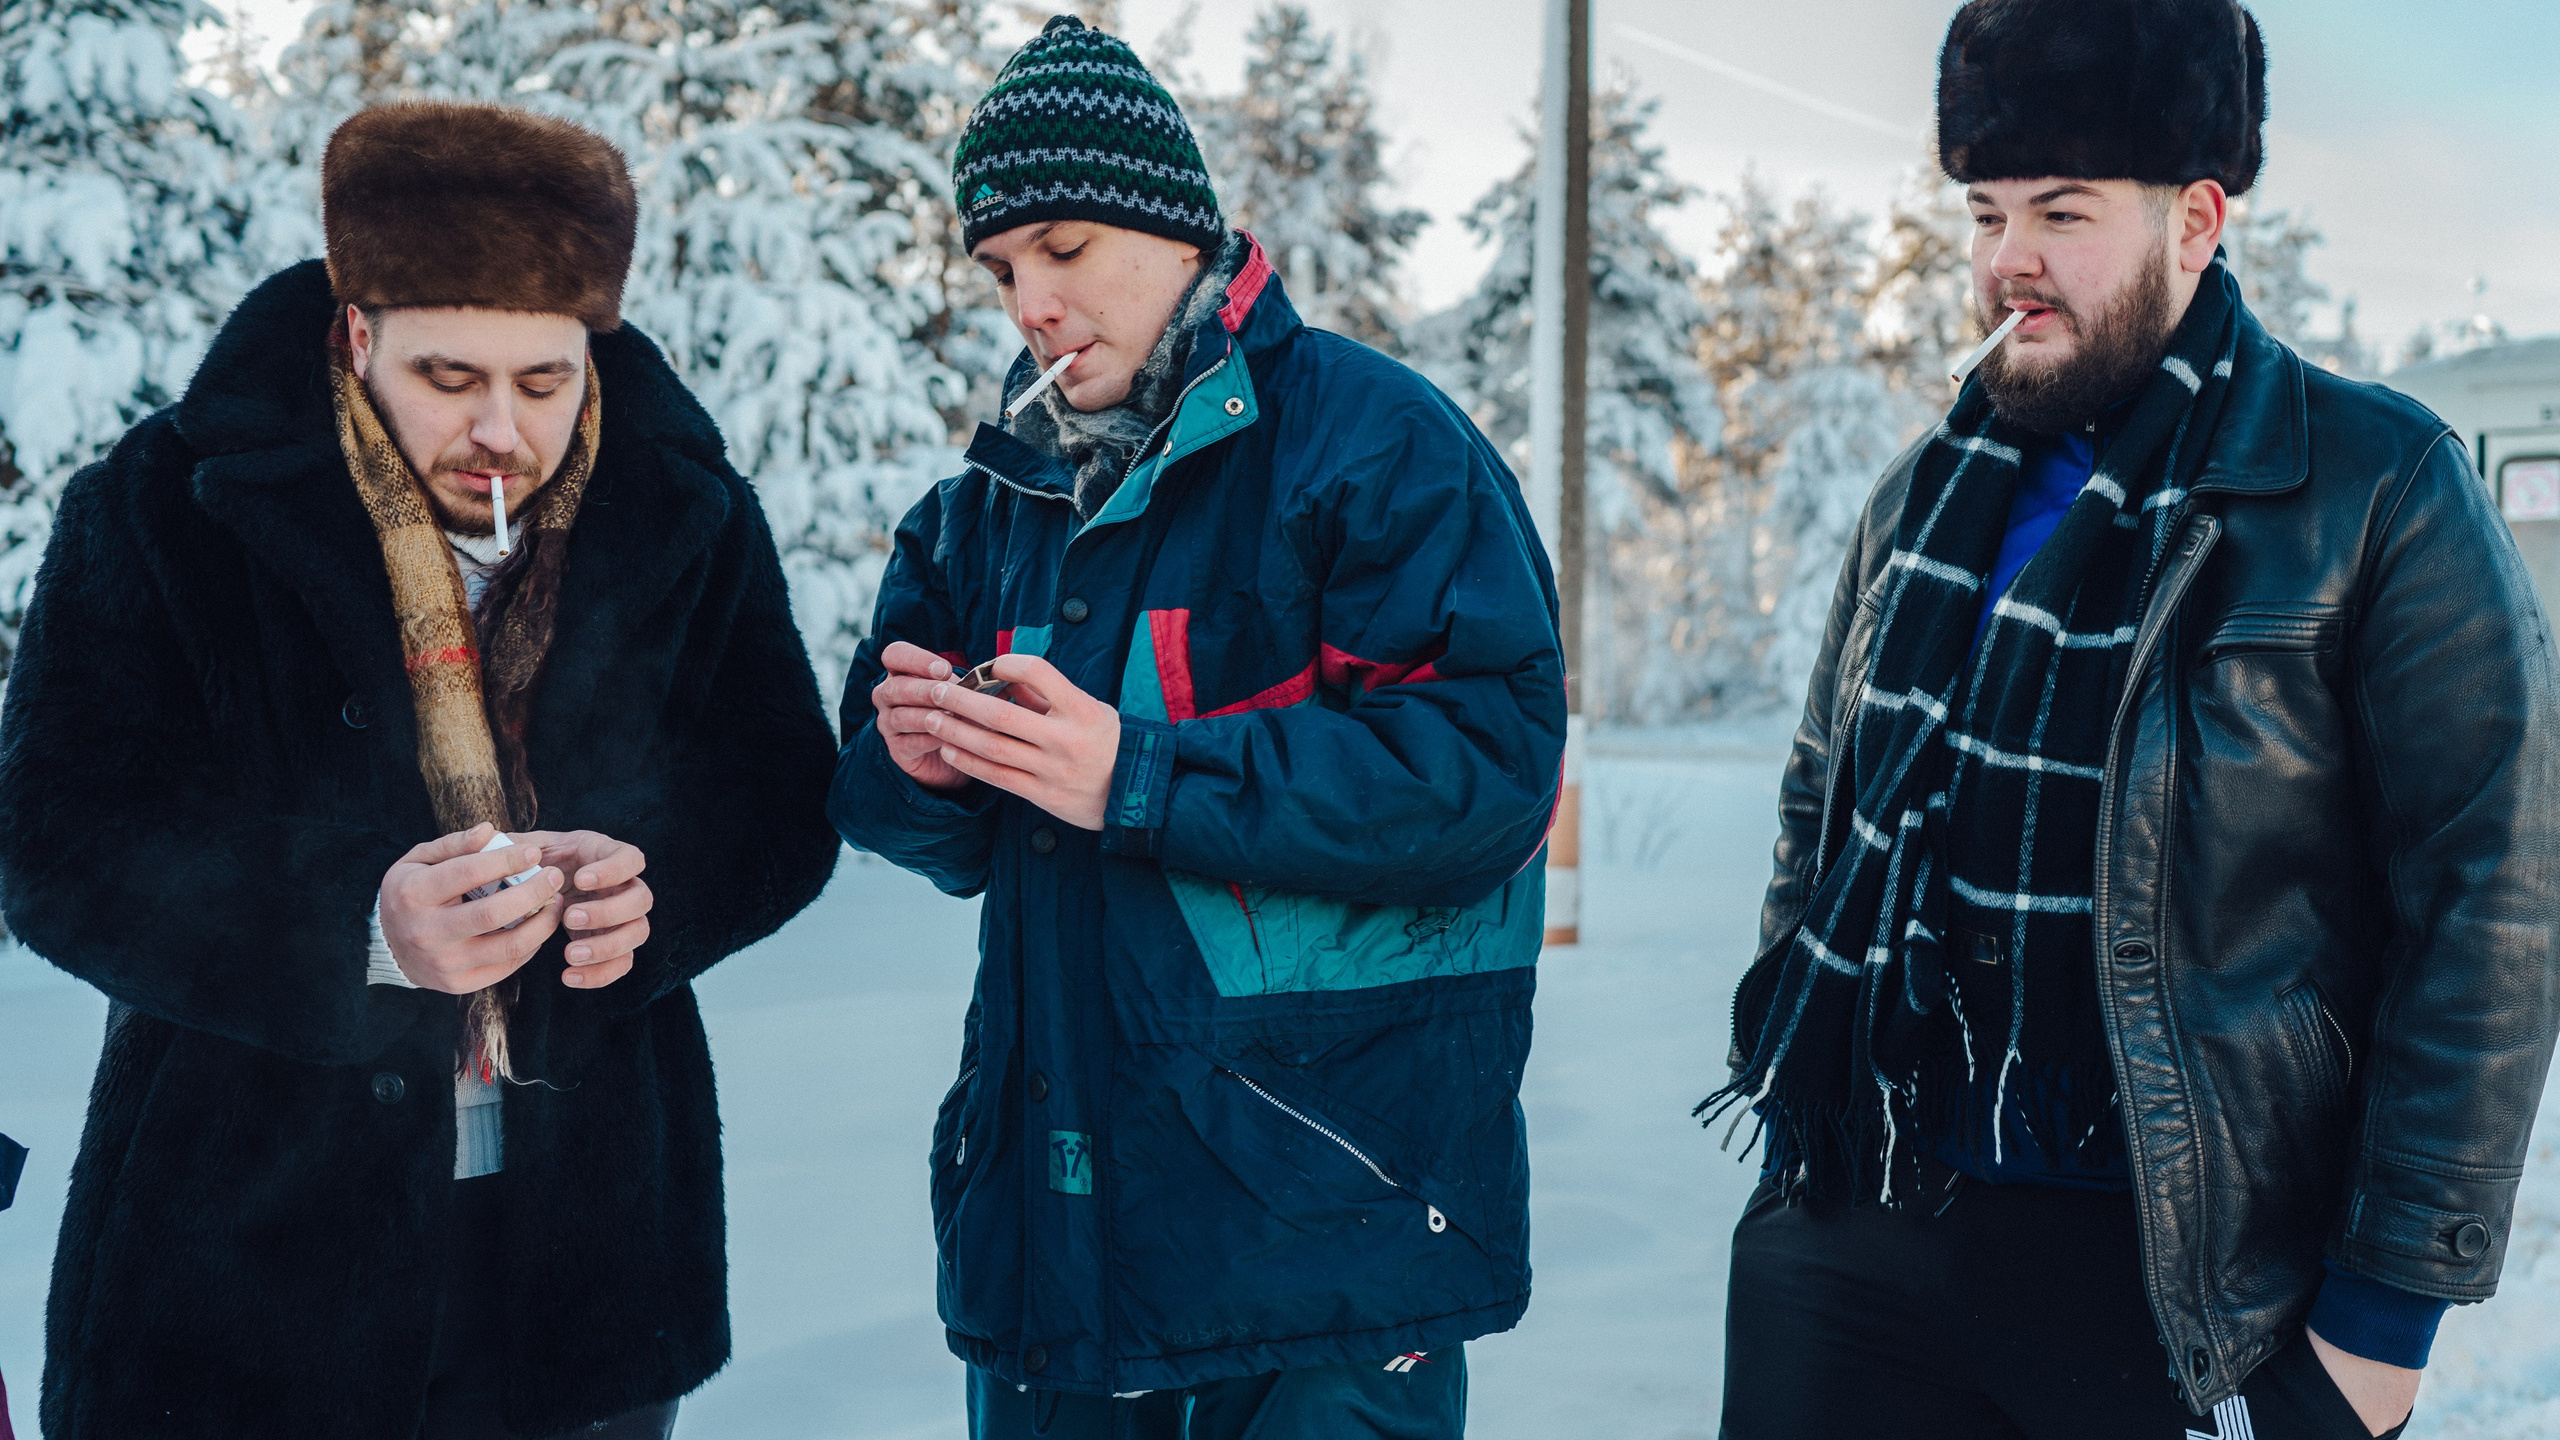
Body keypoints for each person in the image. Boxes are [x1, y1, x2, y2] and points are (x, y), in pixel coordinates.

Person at [1706, 1, 2560, 1436]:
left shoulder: (2370, 487)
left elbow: (2496, 900)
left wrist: (2383, 1317)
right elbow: (1819, 800)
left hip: (2173, 1281)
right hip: (1856, 1237)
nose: (2005, 262)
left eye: (2062, 211)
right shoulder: (1930, 489)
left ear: (2197, 219)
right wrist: (1794, 1198)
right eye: (1984, 213)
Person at [0, 102, 841, 1439]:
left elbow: (782, 792)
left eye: (546, 382)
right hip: (245, 1272)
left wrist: (654, 891)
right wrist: (357, 927)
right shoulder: (164, 506)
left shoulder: (685, 509)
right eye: (451, 378)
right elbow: (56, 840)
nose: (502, 430)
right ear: (357, 335)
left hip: (583, 1274)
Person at [827, 15, 1567, 1439]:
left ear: (1180, 232)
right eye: (1000, 269)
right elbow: (883, 802)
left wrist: (1139, 773)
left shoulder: (1376, 443)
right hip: (1056, 1238)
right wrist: (923, 771)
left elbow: (1485, 774)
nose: (1029, 300)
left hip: (1329, 1240)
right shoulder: (985, 510)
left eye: (1063, 248)